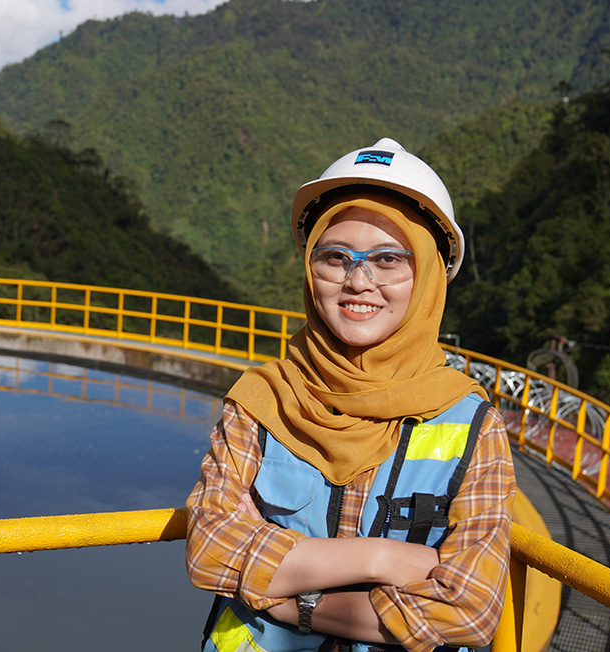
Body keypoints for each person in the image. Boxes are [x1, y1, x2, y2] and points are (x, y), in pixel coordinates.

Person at [185, 138, 516, 652]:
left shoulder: (472, 423)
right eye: (336, 257)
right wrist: (380, 559)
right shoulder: (261, 399)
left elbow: (468, 610)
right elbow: (209, 550)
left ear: (427, 276)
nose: (358, 281)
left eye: (388, 260)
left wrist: (287, 598)